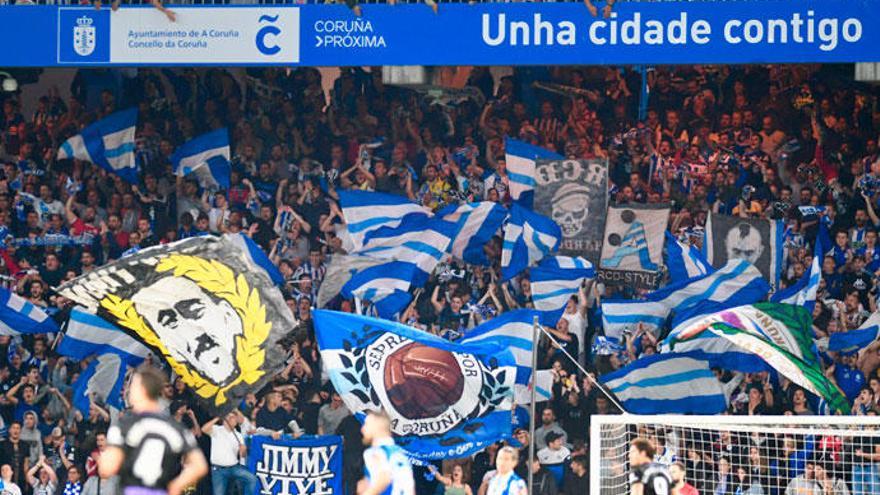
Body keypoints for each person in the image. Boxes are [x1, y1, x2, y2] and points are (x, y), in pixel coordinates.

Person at [97, 366, 208, 495]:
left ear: (142, 390)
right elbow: (199, 465)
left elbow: (106, 468)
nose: (129, 391)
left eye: (133, 387)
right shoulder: (175, 427)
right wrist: (176, 486)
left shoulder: (126, 425)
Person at [358, 410, 414, 495]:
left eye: (366, 425)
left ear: (377, 427)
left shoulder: (376, 452)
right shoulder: (399, 451)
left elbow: (384, 478)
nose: (362, 429)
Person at [201, 411, 257, 495]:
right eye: (229, 417)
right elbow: (203, 429)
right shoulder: (216, 429)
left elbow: (243, 455)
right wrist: (217, 418)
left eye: (233, 417)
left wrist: (243, 450)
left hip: (233, 467)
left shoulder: (238, 435)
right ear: (224, 420)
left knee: (252, 479)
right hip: (218, 470)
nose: (231, 419)